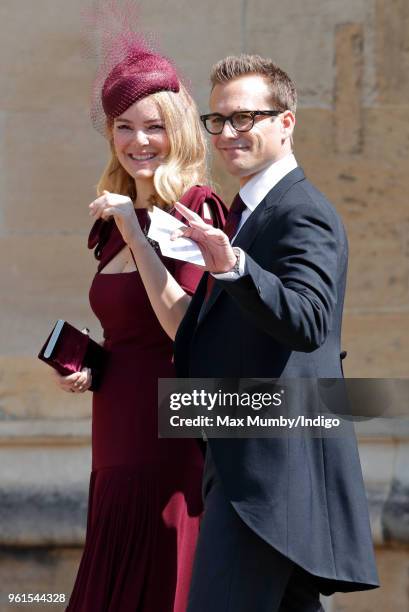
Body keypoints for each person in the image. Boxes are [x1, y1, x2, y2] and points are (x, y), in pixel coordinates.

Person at [173, 54, 379, 611]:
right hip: (246, 466)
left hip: (270, 474)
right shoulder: (246, 214)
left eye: (245, 118)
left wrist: (236, 267)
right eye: (217, 120)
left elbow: (309, 321)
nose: (227, 133)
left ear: (286, 122)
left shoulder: (301, 212)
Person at [54, 37, 226, 611]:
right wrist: (90, 364)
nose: (138, 142)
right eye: (123, 127)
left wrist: (134, 227)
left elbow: (184, 327)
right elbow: (131, 330)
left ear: (177, 130)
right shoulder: (114, 220)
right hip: (115, 428)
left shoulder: (195, 211)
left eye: (152, 126)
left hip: (171, 429)